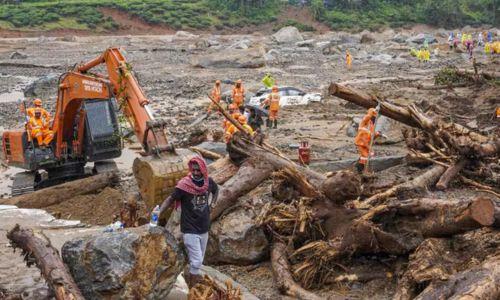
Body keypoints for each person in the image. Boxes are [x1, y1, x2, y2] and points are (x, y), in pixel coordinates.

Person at [158, 157, 218, 288]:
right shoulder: (184, 185)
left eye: (198, 170)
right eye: (194, 170)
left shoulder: (208, 182)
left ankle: (189, 276)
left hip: (204, 227)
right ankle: (193, 289)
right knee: (196, 262)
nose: (196, 173)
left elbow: (216, 190)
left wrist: (212, 203)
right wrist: (158, 213)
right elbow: (170, 199)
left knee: (199, 261)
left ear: (203, 169)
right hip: (189, 229)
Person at [354, 108, 381, 173]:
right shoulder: (365, 121)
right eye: (374, 117)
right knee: (365, 156)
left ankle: (360, 168)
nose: (375, 119)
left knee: (367, 156)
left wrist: (378, 134)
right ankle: (359, 169)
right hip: (361, 142)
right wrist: (373, 111)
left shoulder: (372, 126)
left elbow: (372, 136)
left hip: (366, 143)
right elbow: (368, 116)